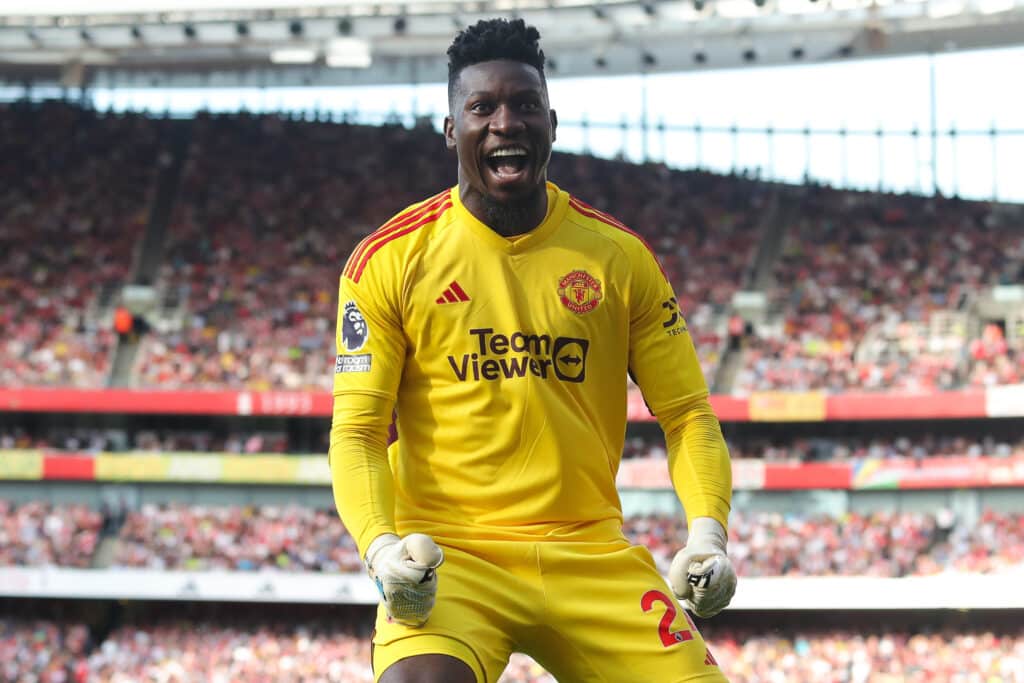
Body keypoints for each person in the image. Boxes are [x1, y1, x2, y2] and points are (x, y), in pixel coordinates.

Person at [330, 17, 736, 683]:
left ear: (552, 121)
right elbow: (359, 430)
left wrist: (708, 533)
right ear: (450, 129)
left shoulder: (619, 257)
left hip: (591, 555)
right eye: (482, 107)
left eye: (523, 105)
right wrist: (381, 551)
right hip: (451, 560)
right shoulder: (389, 259)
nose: (504, 123)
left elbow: (689, 413)